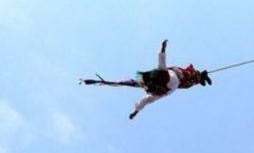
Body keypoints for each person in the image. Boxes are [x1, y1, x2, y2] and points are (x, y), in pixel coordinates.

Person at [80, 40, 211, 119]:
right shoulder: (160, 85)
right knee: (160, 78)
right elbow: (146, 99)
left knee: (150, 79)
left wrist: (136, 111)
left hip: (170, 82)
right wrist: (135, 111)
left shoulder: (153, 82)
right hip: (171, 84)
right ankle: (198, 78)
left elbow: (144, 97)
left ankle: (198, 77)